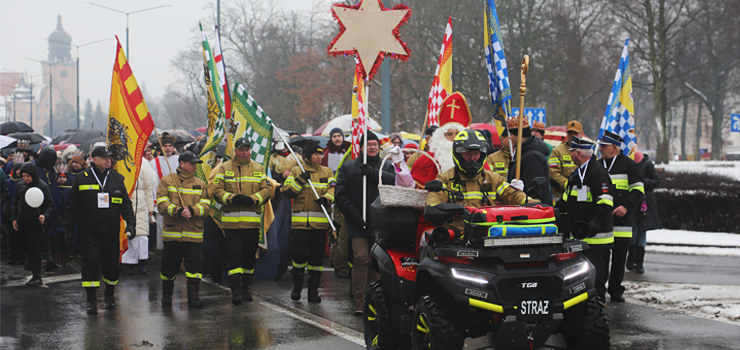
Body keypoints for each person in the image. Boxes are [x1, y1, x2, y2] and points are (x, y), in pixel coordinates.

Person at [65, 146, 136, 314]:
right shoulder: (82, 179)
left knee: (112, 266)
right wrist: (68, 229)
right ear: (94, 159)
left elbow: (126, 204)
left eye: (109, 157)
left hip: (111, 231)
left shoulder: (117, 179)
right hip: (89, 231)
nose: (108, 160)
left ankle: (109, 294)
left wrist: (131, 224)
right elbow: (71, 207)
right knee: (91, 262)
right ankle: (91, 300)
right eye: (104, 158)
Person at [426, 129, 537, 233]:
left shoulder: (493, 179)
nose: (472, 158)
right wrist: (445, 210)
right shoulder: (445, 179)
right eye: (467, 154)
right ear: (458, 154)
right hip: (457, 239)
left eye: (476, 154)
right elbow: (433, 203)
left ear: (482, 154)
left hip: (488, 237)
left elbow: (513, 195)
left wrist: (534, 204)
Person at [335, 131, 396, 315]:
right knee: (361, 258)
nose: (372, 147)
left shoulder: (387, 165)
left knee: (377, 261)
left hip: (380, 223)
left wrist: (373, 173)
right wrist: (356, 217)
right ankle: (359, 300)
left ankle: (374, 297)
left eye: (375, 144)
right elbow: (341, 197)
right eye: (368, 144)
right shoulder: (349, 168)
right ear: (361, 147)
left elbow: (394, 182)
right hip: (358, 223)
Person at [213, 138, 271, 305]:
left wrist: (253, 199)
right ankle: (236, 291)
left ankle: (246, 287)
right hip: (231, 224)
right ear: (235, 151)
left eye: (247, 149)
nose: (245, 152)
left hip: (252, 224)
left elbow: (266, 189)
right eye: (241, 149)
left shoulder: (258, 168)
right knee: (234, 257)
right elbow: (217, 190)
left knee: (248, 257)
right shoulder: (224, 168)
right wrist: (231, 198)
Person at [558, 137, 614, 302]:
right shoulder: (577, 174)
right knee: (580, 270)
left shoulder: (598, 173)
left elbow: (605, 201)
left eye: (571, 152)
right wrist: (550, 209)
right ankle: (582, 299)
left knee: (597, 269)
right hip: (580, 234)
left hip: (598, 235)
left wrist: (596, 221)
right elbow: (567, 200)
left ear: (579, 153)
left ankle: (598, 300)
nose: (569, 155)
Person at [282, 141, 336, 303]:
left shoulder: (327, 172)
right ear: (307, 156)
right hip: (300, 224)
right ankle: (297, 287)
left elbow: (333, 189)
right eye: (316, 154)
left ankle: (313, 291)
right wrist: (300, 181)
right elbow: (287, 192)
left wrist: (326, 199)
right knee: (300, 255)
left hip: (319, 224)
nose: (320, 157)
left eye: (321, 154)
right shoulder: (297, 170)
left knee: (316, 259)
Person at [156, 151, 211, 308]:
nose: (195, 166)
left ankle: (194, 297)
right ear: (182, 164)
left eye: (196, 164)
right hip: (172, 234)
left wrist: (193, 211)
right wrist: (177, 211)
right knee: (169, 267)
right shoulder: (167, 181)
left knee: (194, 268)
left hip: (194, 234)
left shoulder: (201, 184)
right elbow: (161, 203)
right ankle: (167, 295)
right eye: (192, 163)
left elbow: (206, 206)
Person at [597, 131, 644, 302]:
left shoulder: (630, 166)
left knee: (619, 260)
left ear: (615, 148)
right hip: (602, 223)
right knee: (601, 261)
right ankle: (599, 291)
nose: (600, 149)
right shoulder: (597, 165)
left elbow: (638, 191)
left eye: (604, 146)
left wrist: (625, 206)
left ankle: (616, 290)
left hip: (622, 222)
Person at [411, 92, 472, 188]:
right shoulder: (428, 159)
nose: (454, 139)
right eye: (449, 134)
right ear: (441, 136)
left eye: (458, 134)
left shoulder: (475, 157)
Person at [11, 163, 54, 287]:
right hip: (23, 221)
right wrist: (14, 218)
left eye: (27, 176)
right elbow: (16, 203)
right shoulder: (20, 186)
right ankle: (32, 269)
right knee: (27, 247)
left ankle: (37, 275)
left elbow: (50, 205)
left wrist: (45, 215)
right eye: (23, 176)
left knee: (34, 246)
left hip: (37, 223)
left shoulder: (42, 186)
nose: (25, 178)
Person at [627, 149, 660, 274]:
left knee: (642, 232)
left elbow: (656, 181)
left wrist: (641, 182)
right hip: (632, 202)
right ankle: (631, 257)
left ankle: (639, 262)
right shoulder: (628, 164)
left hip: (645, 204)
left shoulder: (647, 164)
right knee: (633, 231)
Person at [122, 159, 156, 275]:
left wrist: (151, 208)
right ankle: (129, 264)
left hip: (141, 206)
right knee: (128, 235)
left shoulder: (142, 170)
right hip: (127, 206)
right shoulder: (121, 171)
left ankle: (142, 262)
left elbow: (148, 189)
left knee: (142, 237)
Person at [506, 116, 551, 202]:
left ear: (518, 135)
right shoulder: (523, 153)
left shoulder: (532, 156)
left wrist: (520, 192)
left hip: (532, 210)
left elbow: (535, 189)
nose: (510, 138)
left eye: (511, 135)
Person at [150, 132, 179, 250]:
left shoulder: (179, 160)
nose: (168, 148)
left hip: (177, 198)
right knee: (162, 226)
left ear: (173, 147)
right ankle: (161, 250)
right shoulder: (154, 162)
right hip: (161, 199)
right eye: (165, 146)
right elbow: (152, 182)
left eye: (170, 146)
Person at [550, 121, 582, 201]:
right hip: (561, 198)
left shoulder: (587, 151)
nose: (572, 136)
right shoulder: (557, 151)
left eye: (575, 133)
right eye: (570, 133)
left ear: (582, 133)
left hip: (582, 197)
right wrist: (570, 185)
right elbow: (553, 174)